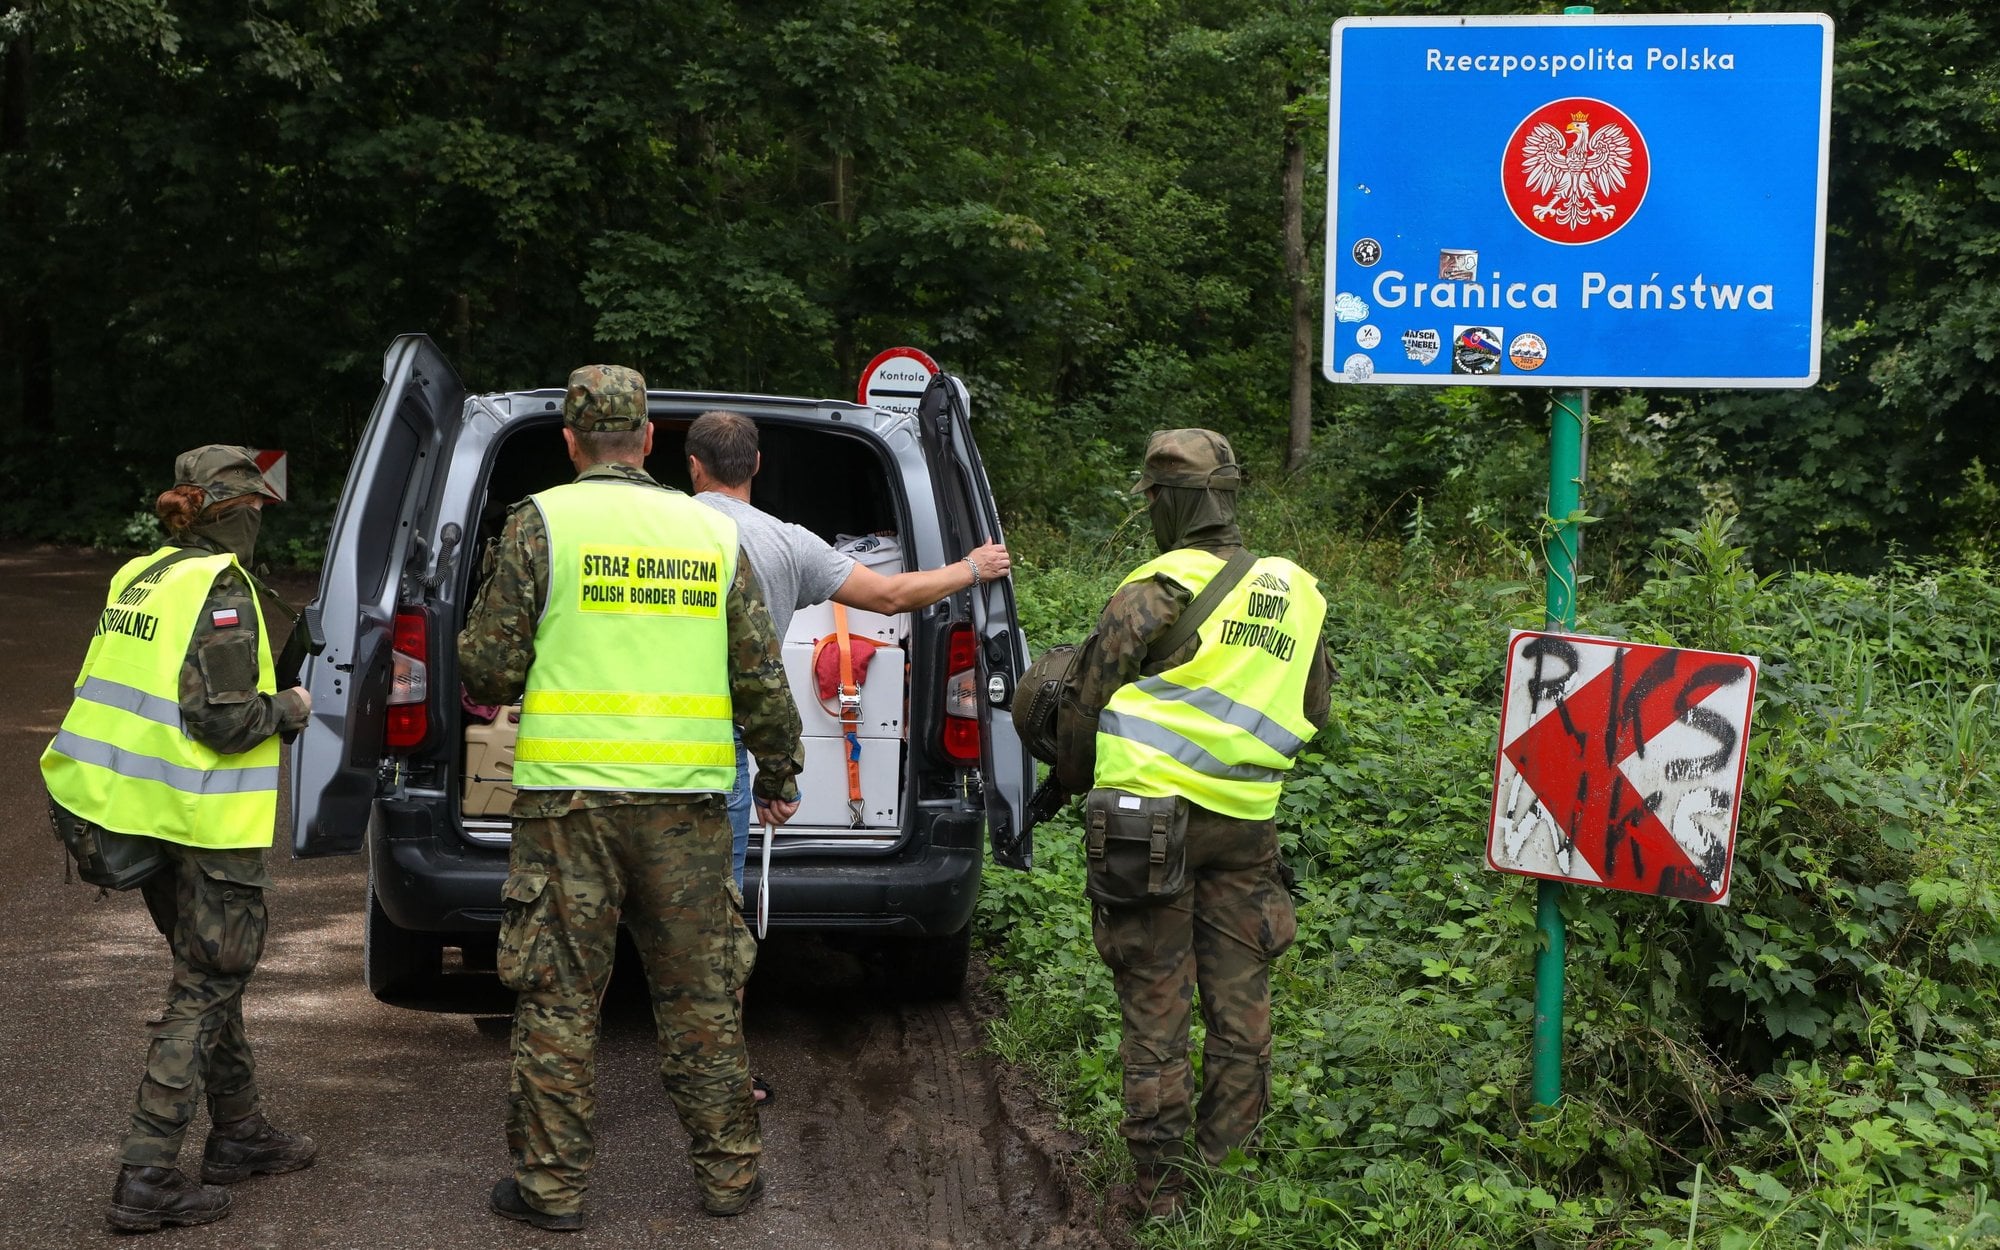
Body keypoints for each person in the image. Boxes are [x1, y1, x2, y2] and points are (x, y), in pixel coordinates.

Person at [458, 367, 804, 1231]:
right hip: (686, 807)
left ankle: (553, 1192)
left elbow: (490, 670)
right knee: (701, 998)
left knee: (559, 1000)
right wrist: (779, 773)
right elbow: (759, 676)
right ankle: (729, 1180)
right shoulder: (712, 532)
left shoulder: (539, 523)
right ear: (651, 441)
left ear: (569, 442)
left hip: (568, 812)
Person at [684, 408, 1009, 1103]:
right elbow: (892, 593)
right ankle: (722, 1079)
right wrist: (971, 568)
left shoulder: (654, 536)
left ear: (691, 466)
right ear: (758, 466)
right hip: (721, 750)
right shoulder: (786, 543)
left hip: (623, 751)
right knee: (716, 919)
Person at [1052, 429, 1332, 1220]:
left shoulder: (1154, 587)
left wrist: (1068, 782)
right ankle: (1225, 1174)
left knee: (1157, 1011)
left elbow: (1083, 706)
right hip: (1246, 826)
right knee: (1242, 1011)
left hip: (1146, 825)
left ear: (1166, 503)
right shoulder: (1296, 590)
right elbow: (1315, 710)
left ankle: (1157, 1193)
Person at [40, 446, 318, 1234]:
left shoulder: (141, 573)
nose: (264, 521)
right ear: (241, 513)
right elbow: (224, 720)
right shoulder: (221, 588)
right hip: (202, 821)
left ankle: (239, 1133)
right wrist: (292, 704)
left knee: (207, 972)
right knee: (207, 984)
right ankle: (147, 1174)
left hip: (135, 811)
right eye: (259, 509)